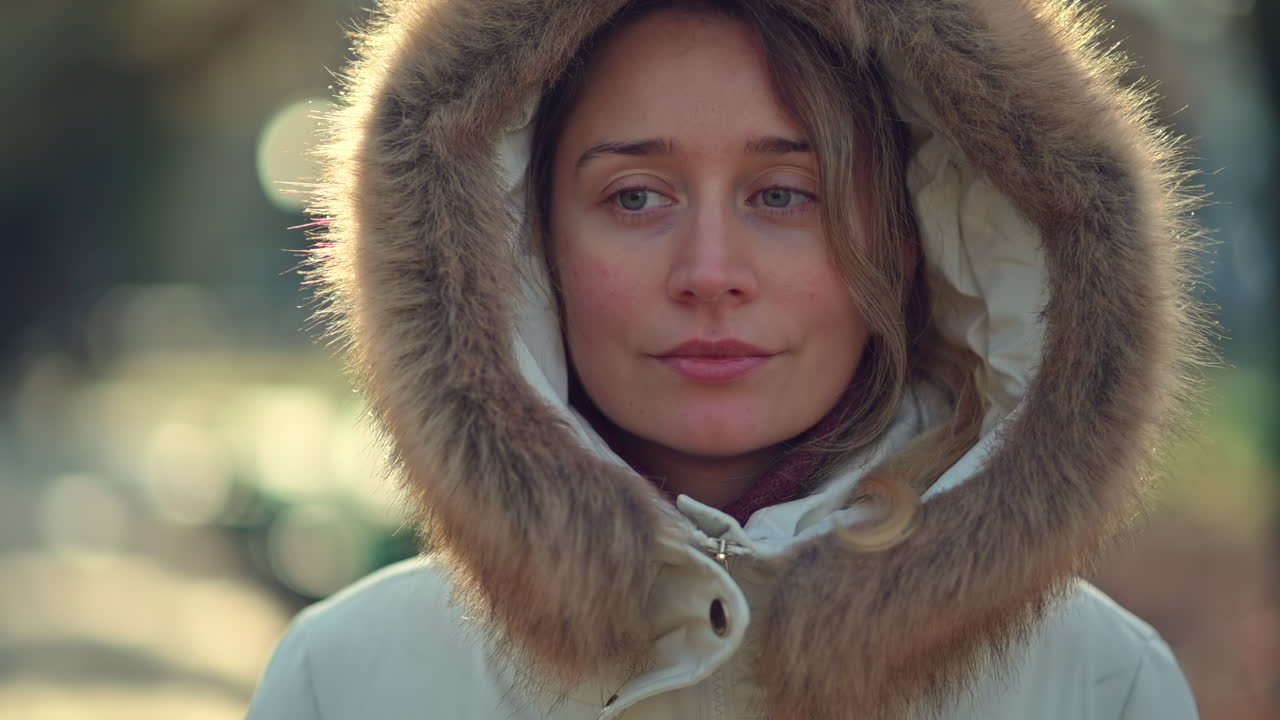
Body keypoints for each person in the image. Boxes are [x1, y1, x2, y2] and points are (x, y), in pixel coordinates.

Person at [247, 0, 1207, 718]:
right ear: (526, 250)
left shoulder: (1100, 685)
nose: (711, 275)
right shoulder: (346, 681)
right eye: (635, 197)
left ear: (906, 245)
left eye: (786, 194)